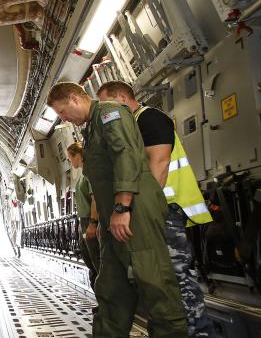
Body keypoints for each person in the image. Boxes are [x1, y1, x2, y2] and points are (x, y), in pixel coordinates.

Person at [46, 82, 186, 338]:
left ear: (75, 98)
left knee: (155, 282)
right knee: (111, 288)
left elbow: (126, 155)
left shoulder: (111, 112)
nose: (63, 119)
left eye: (62, 111)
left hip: (134, 211)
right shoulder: (92, 128)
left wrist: (123, 207)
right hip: (115, 218)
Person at [97, 80, 215, 337]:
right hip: (154, 212)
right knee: (161, 280)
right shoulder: (131, 124)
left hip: (165, 210)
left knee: (175, 278)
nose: (104, 112)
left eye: (106, 104)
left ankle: (198, 332)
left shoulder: (149, 119)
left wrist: (136, 210)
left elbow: (158, 165)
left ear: (121, 99)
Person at [67, 142, 100, 294]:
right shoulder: (82, 175)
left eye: (69, 158)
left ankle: (108, 304)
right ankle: (101, 300)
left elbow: (95, 199)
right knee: (90, 262)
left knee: (97, 261)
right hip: (84, 221)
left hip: (90, 221)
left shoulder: (89, 173)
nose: (70, 161)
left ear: (77, 155)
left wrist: (93, 223)